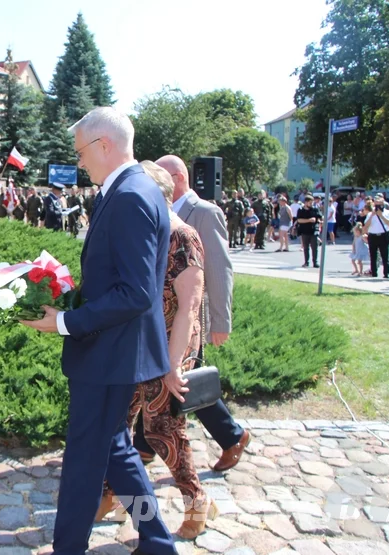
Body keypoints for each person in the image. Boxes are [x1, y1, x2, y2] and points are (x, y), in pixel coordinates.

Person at [23, 107, 177, 555]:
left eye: (81, 152)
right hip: (115, 350)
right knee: (117, 453)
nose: (79, 162)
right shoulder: (130, 189)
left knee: (84, 461)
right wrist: (71, 294)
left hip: (111, 353)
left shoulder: (129, 195)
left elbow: (136, 292)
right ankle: (157, 539)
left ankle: (68, 547)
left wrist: (66, 321)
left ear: (103, 145)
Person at [97, 162, 218, 539]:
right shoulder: (145, 233)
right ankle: (113, 496)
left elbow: (189, 306)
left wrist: (172, 365)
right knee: (118, 430)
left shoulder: (183, 236)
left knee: (164, 430)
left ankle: (197, 500)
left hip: (168, 351)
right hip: (137, 347)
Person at [152, 155, 250, 472]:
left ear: (179, 177)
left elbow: (220, 270)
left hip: (188, 316)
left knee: (180, 380)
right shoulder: (163, 212)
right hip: (163, 315)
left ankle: (140, 452)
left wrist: (221, 321)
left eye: (161, 176)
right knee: (178, 381)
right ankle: (230, 436)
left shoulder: (205, 213)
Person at [364, 194, 389, 278]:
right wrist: (372, 215)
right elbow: (366, 225)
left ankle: (386, 273)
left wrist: (381, 215)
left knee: (385, 256)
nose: (378, 206)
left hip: (383, 235)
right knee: (373, 256)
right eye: (376, 204)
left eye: (380, 204)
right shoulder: (370, 214)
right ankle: (374, 273)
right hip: (373, 236)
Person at [296, 194, 322, 268]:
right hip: (304, 231)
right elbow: (299, 220)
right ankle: (306, 262)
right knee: (306, 247)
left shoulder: (315, 209)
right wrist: (309, 220)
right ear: (306, 202)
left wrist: (319, 221)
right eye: (310, 203)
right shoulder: (301, 210)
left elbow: (319, 217)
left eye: (312, 202)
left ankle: (315, 262)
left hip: (314, 231)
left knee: (314, 247)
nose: (311, 204)